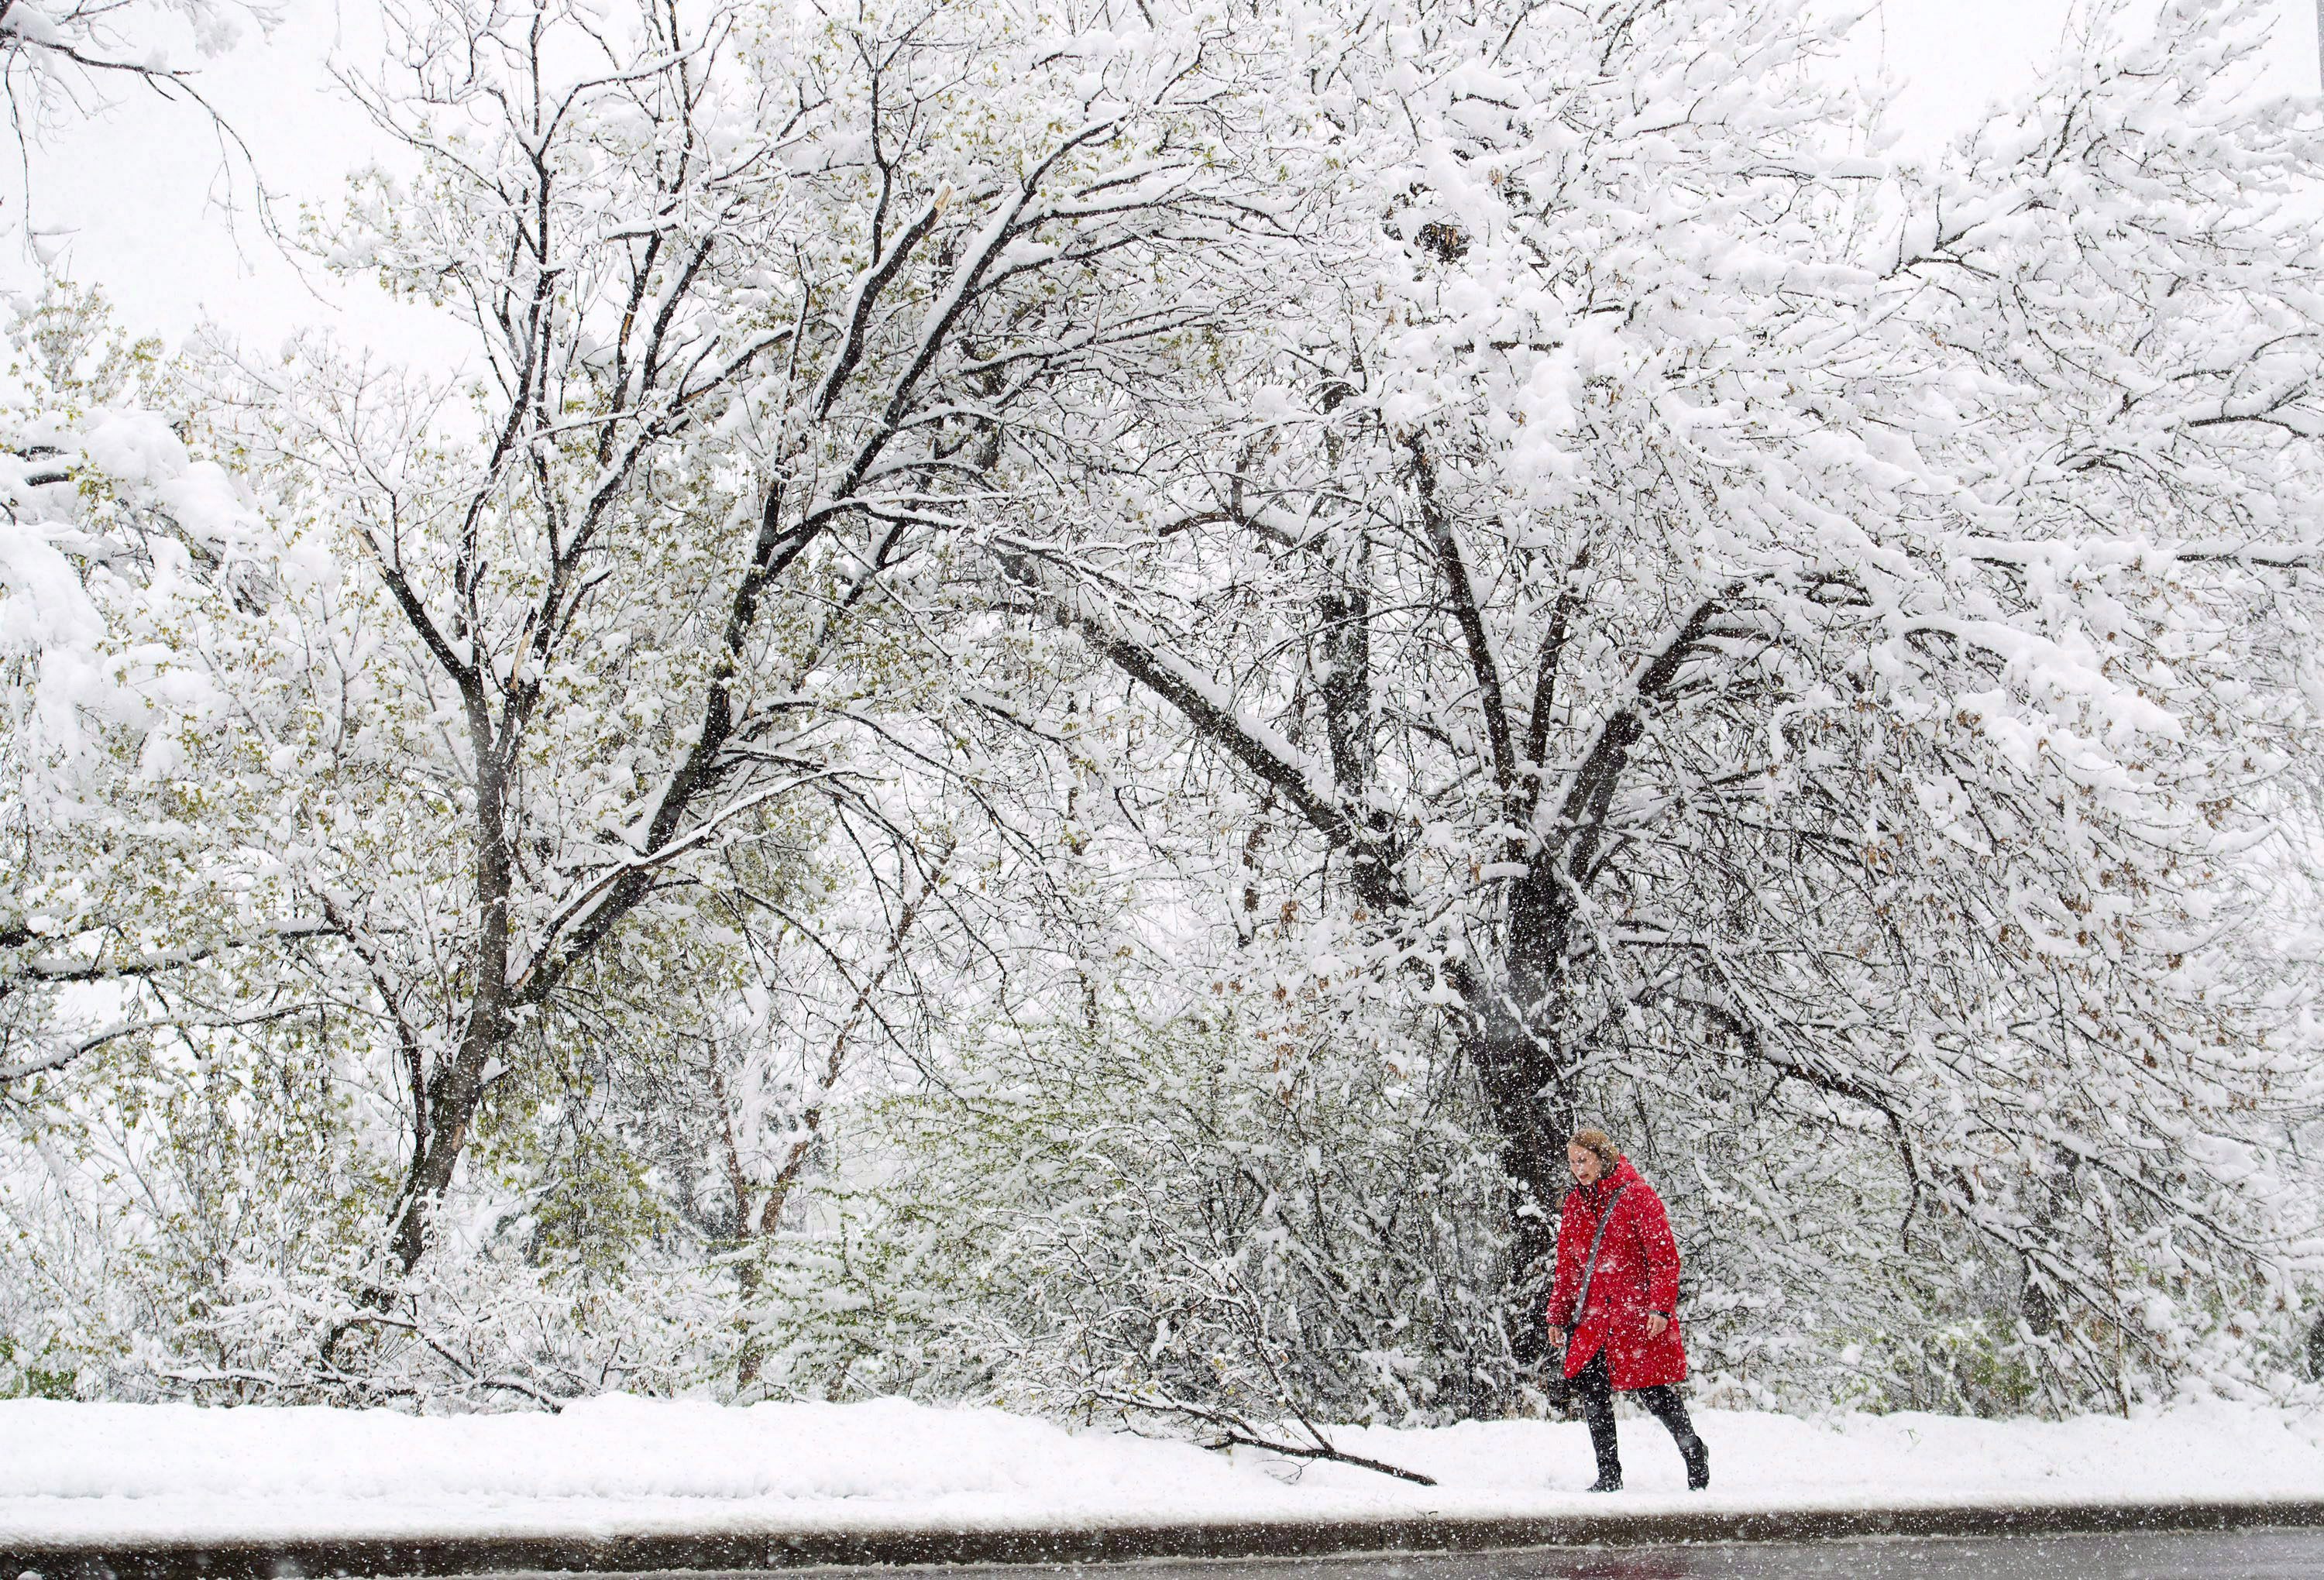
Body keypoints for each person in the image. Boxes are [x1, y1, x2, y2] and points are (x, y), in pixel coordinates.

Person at [1545, 1127, 1709, 1492]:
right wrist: (1558, 1314)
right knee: (1593, 1391)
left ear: (1602, 1157)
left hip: (1633, 1315)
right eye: (1572, 1162)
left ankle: (1694, 1451)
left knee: (1652, 1391)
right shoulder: (1574, 1204)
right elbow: (1567, 1268)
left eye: (1583, 1160)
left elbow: (1663, 1259)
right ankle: (1609, 1474)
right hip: (1592, 1318)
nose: (1578, 1168)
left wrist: (1660, 1308)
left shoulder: (1638, 1196)